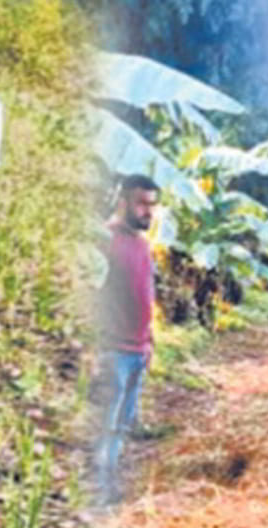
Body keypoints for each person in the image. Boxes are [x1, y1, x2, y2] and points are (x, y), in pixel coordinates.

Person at [92, 174, 159, 505]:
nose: (148, 211)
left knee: (119, 428)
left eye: (152, 205)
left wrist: (149, 343)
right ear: (123, 202)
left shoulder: (143, 245)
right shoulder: (106, 240)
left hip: (137, 351)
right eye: (141, 203)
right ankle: (96, 497)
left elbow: (145, 297)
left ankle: (109, 488)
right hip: (113, 351)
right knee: (102, 428)